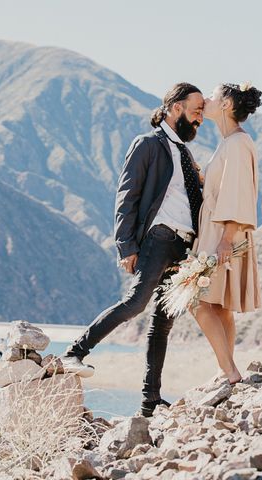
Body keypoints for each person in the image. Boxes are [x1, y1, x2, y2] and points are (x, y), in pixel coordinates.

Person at [60, 83, 205, 417]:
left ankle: (149, 401)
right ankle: (76, 351)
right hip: (159, 237)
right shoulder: (148, 145)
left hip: (185, 247)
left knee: (163, 322)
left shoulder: (185, 154)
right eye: (196, 110)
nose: (200, 118)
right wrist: (125, 245)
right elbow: (126, 196)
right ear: (176, 107)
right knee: (136, 302)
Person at [190, 82, 262, 385]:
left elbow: (237, 192)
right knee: (218, 306)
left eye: (212, 95)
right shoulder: (229, 143)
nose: (206, 99)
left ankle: (228, 369)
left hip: (222, 231)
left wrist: (225, 239)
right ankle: (226, 369)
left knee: (197, 300)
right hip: (218, 227)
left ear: (226, 105)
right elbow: (224, 186)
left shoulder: (236, 144)